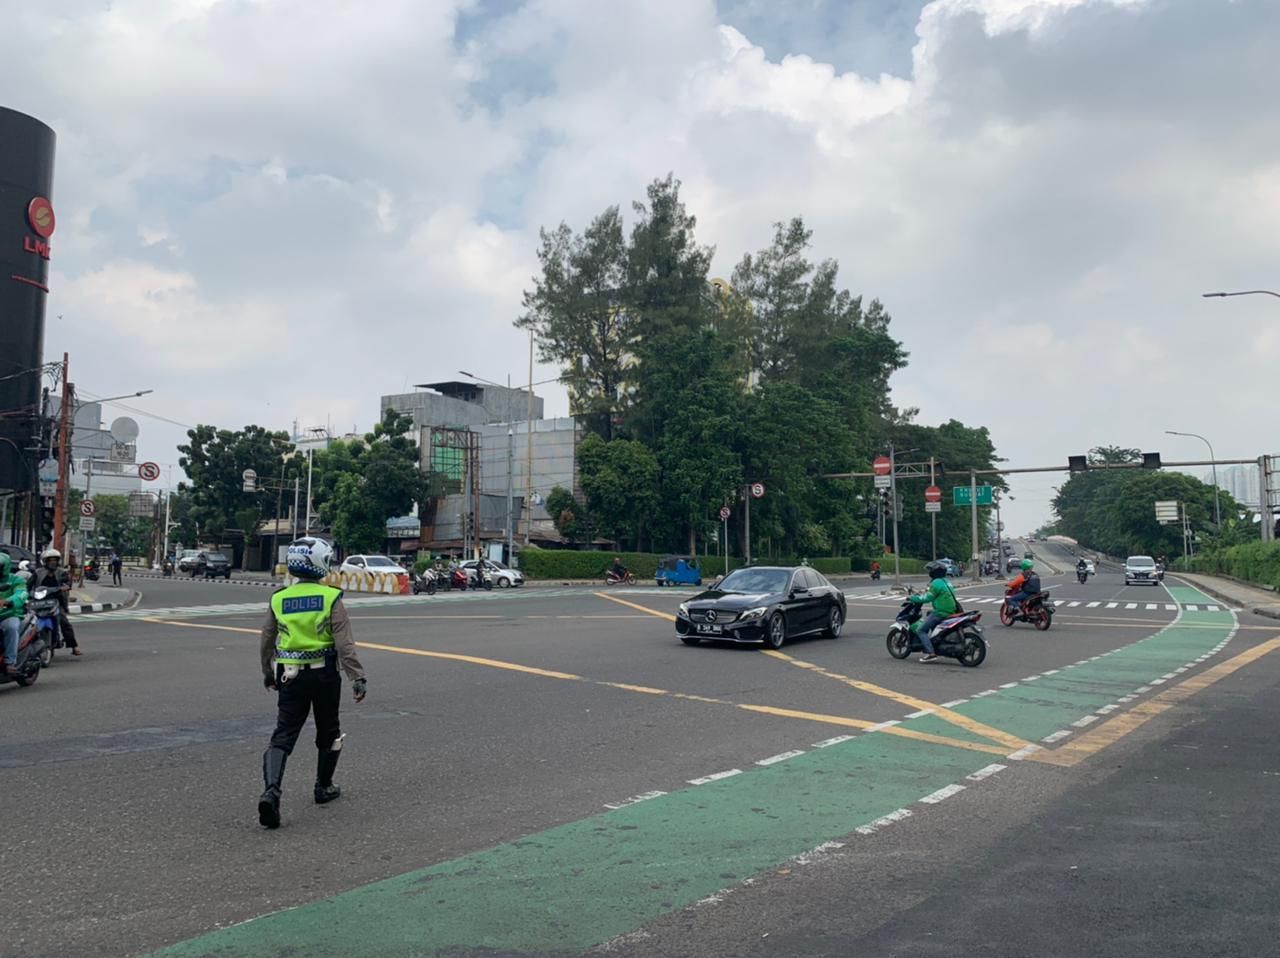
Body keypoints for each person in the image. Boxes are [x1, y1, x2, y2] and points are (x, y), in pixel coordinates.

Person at [257, 537, 367, 830]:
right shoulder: (331, 598)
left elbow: (267, 640)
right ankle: (323, 787)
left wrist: (268, 673)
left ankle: (271, 792)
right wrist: (357, 677)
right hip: (324, 676)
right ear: (320, 563)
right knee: (329, 730)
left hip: (289, 675)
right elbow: (345, 645)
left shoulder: (278, 598)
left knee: (283, 735)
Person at [31, 548, 80, 656]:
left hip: (56, 600)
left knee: (64, 622)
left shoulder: (62, 572)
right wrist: (27, 594)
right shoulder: (38, 572)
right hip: (40, 601)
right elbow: (28, 585)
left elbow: (67, 584)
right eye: (50, 560)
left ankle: (73, 646)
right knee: (28, 621)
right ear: (45, 561)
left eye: (55, 560)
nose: (53, 562)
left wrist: (65, 587)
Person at [908, 560, 959, 663]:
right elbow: (931, 593)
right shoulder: (946, 582)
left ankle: (931, 653)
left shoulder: (936, 583)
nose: (929, 572)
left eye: (931, 570)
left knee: (921, 630)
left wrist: (913, 598)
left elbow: (927, 598)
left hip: (941, 612)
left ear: (935, 572)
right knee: (929, 613)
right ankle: (934, 640)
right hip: (951, 610)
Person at [0, 553, 29, 674]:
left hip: (9, 613)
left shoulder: (16, 580)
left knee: (11, 628)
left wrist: (9, 601)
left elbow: (21, 594)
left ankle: (10, 661)